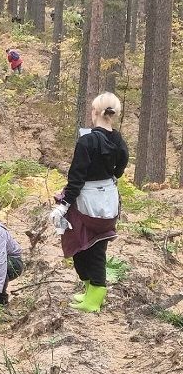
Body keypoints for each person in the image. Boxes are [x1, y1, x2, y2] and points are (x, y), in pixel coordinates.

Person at [53, 93, 129, 314]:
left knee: (82, 245)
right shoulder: (119, 140)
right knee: (97, 245)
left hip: (85, 201)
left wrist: (63, 204)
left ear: (94, 112)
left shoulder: (86, 141)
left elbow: (76, 177)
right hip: (108, 201)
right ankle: (90, 291)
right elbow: (121, 167)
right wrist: (110, 175)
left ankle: (95, 297)